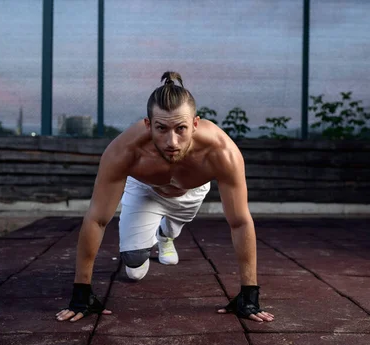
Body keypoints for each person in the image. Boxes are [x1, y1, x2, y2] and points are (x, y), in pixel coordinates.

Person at [55, 71, 274, 323]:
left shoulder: (221, 152)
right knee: (134, 268)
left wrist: (249, 293)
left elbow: (240, 221)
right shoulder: (124, 151)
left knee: (172, 227)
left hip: (191, 193)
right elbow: (96, 219)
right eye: (161, 128)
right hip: (146, 190)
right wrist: (81, 291)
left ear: (195, 123)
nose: (172, 141)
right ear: (148, 125)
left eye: (181, 128)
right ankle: (156, 239)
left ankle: (165, 235)